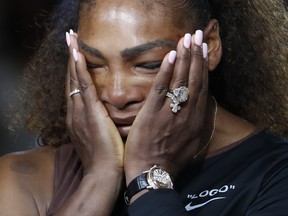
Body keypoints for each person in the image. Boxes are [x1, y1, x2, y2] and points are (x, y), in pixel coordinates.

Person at [0, 0, 288, 215]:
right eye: (94, 64)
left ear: (209, 45)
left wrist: (147, 177)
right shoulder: (23, 178)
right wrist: (100, 177)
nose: (116, 93)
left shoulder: (275, 173)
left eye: (148, 64)